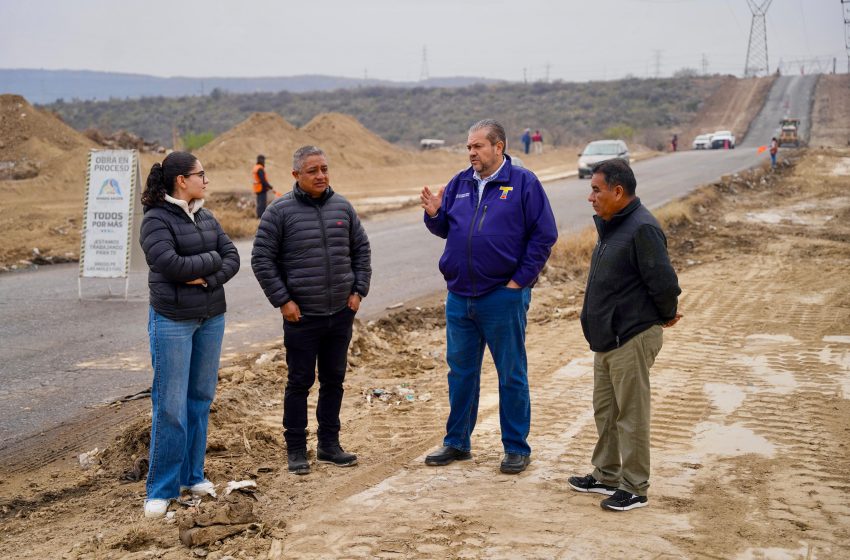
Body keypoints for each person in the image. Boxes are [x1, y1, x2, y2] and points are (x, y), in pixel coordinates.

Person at [420, 119, 558, 475]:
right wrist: (434, 213)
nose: (471, 153)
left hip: (502, 295)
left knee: (511, 373)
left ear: (499, 147)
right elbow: (446, 228)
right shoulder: (460, 182)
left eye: (478, 146)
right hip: (460, 296)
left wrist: (519, 282)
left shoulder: (523, 182)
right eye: (468, 147)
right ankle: (457, 442)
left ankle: (515, 447)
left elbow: (544, 236)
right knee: (460, 373)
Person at [568, 159, 681, 512]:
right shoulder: (612, 225)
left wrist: (662, 317)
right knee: (606, 410)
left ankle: (634, 487)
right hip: (608, 339)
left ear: (618, 191)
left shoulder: (641, 227)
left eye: (596, 190)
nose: (590, 197)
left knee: (631, 414)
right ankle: (606, 474)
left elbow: (664, 283)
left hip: (631, 336)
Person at [252, 145, 371, 475]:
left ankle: (329, 446)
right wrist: (283, 301)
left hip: (340, 314)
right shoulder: (278, 212)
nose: (320, 175)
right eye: (312, 171)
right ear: (295, 175)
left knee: (334, 380)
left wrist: (359, 290)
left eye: (324, 169)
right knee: (299, 382)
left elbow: (361, 250)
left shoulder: (342, 207)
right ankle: (296, 450)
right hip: (301, 317)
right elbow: (261, 260)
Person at [139, 151, 241, 518]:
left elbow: (232, 257)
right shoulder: (155, 220)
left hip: (211, 316)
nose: (206, 180)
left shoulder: (206, 215)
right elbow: (168, 263)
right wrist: (206, 263)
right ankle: (161, 489)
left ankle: (192, 477)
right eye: (202, 174)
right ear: (182, 180)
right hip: (173, 319)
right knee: (170, 405)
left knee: (199, 399)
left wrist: (203, 275)